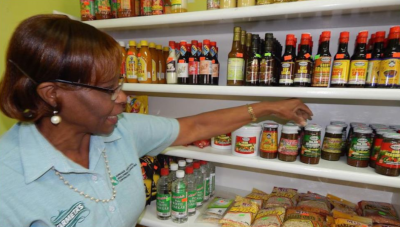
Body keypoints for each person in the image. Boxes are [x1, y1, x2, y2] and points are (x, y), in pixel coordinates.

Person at [0, 15, 312, 227]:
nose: (122, 98)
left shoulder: (120, 131)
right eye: (110, 90)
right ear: (53, 93)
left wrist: (270, 107)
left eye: (120, 85)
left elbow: (195, 127)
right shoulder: (8, 182)